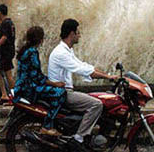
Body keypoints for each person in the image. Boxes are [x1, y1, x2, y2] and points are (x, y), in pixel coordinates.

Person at [48, 19, 118, 150]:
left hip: (65, 91)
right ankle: (78, 138)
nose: (79, 35)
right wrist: (107, 77)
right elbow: (82, 70)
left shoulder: (67, 50)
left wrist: (108, 75)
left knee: (96, 99)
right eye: (78, 32)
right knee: (96, 104)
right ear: (71, 33)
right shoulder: (61, 53)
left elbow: (83, 66)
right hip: (62, 93)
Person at [13, 26, 67, 136]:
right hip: (29, 89)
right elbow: (37, 77)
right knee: (60, 93)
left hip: (22, 87)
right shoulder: (32, 52)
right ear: (40, 39)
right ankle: (47, 126)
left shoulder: (25, 50)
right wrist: (55, 83)